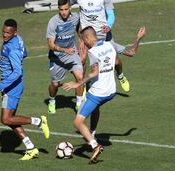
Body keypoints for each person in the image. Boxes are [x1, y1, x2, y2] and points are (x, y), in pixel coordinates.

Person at [62, 26, 146, 164]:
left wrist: (78, 84)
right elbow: (128, 54)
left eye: (83, 41)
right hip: (111, 92)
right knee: (95, 107)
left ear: (88, 38)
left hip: (98, 92)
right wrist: (138, 38)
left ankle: (95, 146)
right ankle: (92, 134)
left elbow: (94, 72)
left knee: (77, 122)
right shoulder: (109, 45)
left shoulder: (93, 52)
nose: (83, 44)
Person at [0, 19, 50, 160]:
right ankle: (31, 148)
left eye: (8, 33)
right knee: (12, 120)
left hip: (12, 87)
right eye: (3, 31)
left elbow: (17, 72)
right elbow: (25, 53)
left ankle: (38, 121)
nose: (4, 35)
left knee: (5, 119)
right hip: (11, 86)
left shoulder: (12, 49)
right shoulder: (18, 39)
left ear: (15, 32)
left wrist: (0, 86)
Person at [70, 0, 131, 94]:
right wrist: (77, 31)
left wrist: (108, 25)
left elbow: (111, 14)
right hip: (87, 37)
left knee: (117, 62)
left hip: (103, 35)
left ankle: (120, 76)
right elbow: (67, 4)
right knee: (82, 61)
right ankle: (83, 88)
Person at [46, 0, 84, 114]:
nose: (64, 12)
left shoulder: (76, 17)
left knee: (80, 78)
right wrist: (64, 50)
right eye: (61, 9)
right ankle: (52, 101)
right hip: (57, 58)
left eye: (66, 9)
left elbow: (79, 28)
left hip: (72, 54)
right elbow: (50, 45)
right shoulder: (53, 22)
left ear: (70, 8)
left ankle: (79, 104)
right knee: (55, 84)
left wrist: (81, 40)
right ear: (58, 9)